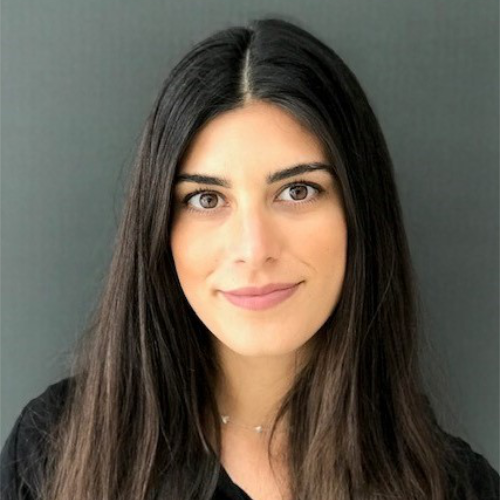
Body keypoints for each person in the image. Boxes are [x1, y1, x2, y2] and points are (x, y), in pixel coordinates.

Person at [0, 16, 498, 500]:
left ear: (360, 213)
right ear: (159, 230)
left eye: (298, 191)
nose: (253, 249)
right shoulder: (53, 450)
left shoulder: (455, 487)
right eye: (206, 199)